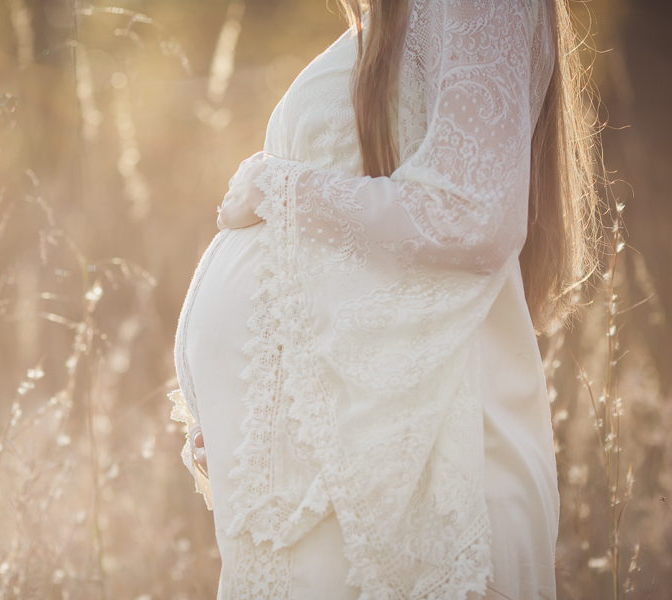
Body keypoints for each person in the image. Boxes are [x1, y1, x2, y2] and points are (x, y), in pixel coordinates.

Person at [170, 0, 599, 598]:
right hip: (337, 471)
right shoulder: (393, 19)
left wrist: (278, 186)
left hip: (423, 484)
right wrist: (256, 415)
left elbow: (471, 215)